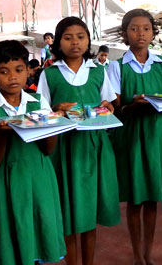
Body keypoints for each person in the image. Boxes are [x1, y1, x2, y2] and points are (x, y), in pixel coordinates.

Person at [0, 40, 65, 265]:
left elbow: (47, 149)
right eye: (4, 72)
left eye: (19, 70)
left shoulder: (38, 102)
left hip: (39, 178)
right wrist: (3, 134)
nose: (12, 77)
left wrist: (54, 123)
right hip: (6, 182)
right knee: (12, 239)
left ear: (28, 72)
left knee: (40, 232)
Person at [37, 17, 120, 265]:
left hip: (93, 148)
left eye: (81, 37)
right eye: (68, 37)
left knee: (89, 212)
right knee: (69, 214)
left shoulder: (98, 71)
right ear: (58, 43)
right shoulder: (49, 74)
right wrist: (55, 109)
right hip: (64, 149)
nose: (75, 42)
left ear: (88, 41)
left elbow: (108, 103)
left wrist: (107, 107)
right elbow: (41, 112)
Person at [107, 9, 162, 265]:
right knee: (135, 199)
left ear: (153, 33)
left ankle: (148, 253)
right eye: (134, 29)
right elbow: (116, 109)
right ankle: (138, 255)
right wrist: (133, 106)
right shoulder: (116, 67)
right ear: (125, 33)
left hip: (158, 134)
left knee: (152, 200)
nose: (141, 33)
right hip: (132, 137)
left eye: (146, 29)